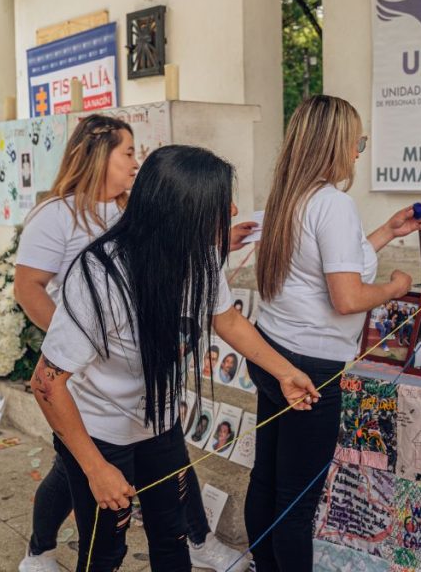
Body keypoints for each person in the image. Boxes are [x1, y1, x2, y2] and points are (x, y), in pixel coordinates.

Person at [31, 145, 319, 572]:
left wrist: (286, 372)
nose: (234, 209)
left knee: (173, 536)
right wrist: (95, 468)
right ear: (184, 212)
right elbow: (46, 383)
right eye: (221, 203)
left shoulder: (200, 256)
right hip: (100, 432)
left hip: (159, 423)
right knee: (105, 551)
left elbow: (227, 320)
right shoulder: (100, 276)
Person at [247, 94, 421, 570]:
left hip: (273, 352)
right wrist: (394, 287)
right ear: (335, 144)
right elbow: (346, 296)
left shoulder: (291, 196)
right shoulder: (333, 203)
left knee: (267, 480)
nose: (358, 153)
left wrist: (387, 231)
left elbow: (329, 266)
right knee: (295, 501)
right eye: (356, 142)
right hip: (309, 368)